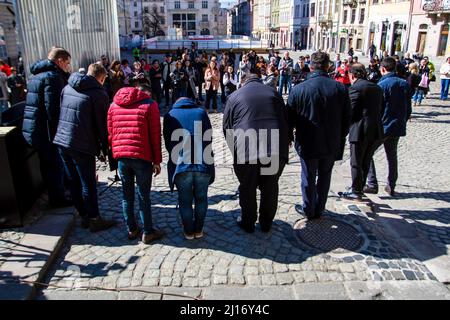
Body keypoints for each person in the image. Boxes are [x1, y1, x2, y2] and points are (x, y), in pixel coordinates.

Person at [287, 52, 351, 220]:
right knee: (325, 175)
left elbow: (289, 119)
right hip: (331, 142)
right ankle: (319, 208)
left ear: (311, 66)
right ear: (329, 66)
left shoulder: (298, 89)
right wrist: (340, 137)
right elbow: (347, 119)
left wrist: (290, 137)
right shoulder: (340, 89)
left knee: (308, 176)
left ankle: (309, 209)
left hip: (307, 142)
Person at [223, 73, 289, 233]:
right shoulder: (274, 93)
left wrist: (236, 151)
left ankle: (248, 222)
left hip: (246, 147)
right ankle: (266, 224)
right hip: (274, 147)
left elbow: (227, 128)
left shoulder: (234, 96)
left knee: (247, 186)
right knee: (270, 187)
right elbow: (286, 120)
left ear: (243, 82)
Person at [53, 63, 116, 232]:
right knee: (88, 182)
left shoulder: (67, 86)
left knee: (73, 181)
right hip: (82, 144)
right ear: (101, 78)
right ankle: (94, 218)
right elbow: (103, 126)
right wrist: (105, 150)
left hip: (62, 140)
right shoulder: (98, 93)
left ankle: (84, 216)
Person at [108, 84, 164, 244]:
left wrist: (115, 154)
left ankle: (131, 229)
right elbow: (155, 135)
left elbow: (111, 133)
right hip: (142, 156)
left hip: (122, 157)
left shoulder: (113, 105)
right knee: (143, 196)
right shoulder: (149, 105)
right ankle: (147, 231)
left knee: (127, 196)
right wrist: (157, 161)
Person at [22, 47, 72, 207]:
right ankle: (57, 198)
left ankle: (56, 193)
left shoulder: (36, 75)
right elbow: (53, 110)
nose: (69, 67)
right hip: (47, 130)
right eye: (68, 63)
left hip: (36, 127)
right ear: (60, 61)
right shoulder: (52, 77)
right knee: (54, 164)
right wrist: (62, 133)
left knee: (48, 163)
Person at [163, 97, 215, 239]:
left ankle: (188, 230)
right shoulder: (201, 112)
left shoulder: (170, 114)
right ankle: (198, 230)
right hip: (202, 161)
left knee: (184, 199)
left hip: (180, 163)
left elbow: (168, 141)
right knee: (201, 198)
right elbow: (209, 135)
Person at [365, 57, 412, 197]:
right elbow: (408, 107)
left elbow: (377, 108)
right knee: (392, 156)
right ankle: (391, 185)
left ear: (383, 69)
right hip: (397, 126)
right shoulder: (404, 83)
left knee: (367, 152)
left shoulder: (382, 85)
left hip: (383, 126)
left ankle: (372, 183)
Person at [338, 64, 384, 201]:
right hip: (375, 130)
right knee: (366, 160)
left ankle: (356, 191)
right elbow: (381, 108)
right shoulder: (377, 88)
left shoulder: (355, 88)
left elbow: (349, 111)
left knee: (356, 162)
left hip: (359, 130)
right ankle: (360, 187)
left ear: (352, 75)